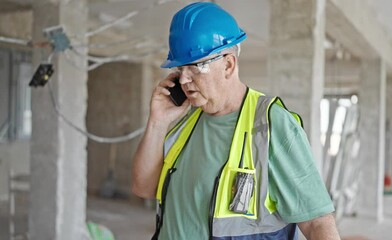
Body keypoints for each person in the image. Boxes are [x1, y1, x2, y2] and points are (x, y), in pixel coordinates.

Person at [132, 2, 341, 240]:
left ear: (228, 65)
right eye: (180, 69)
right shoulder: (184, 119)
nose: (184, 80)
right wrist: (157, 122)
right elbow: (144, 188)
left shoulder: (271, 125)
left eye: (195, 67)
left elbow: (317, 223)